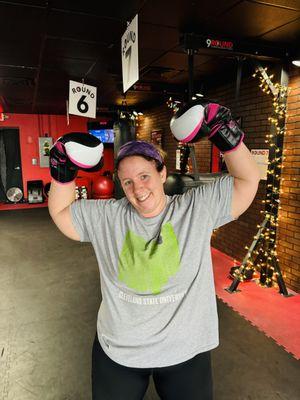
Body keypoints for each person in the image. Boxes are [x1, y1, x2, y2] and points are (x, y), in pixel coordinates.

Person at [48, 101, 260, 400]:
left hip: (186, 350)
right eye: (128, 182)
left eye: (144, 176)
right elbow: (61, 212)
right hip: (119, 352)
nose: (138, 189)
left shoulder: (195, 208)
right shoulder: (108, 215)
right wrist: (61, 170)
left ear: (162, 174)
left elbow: (248, 180)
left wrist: (224, 132)